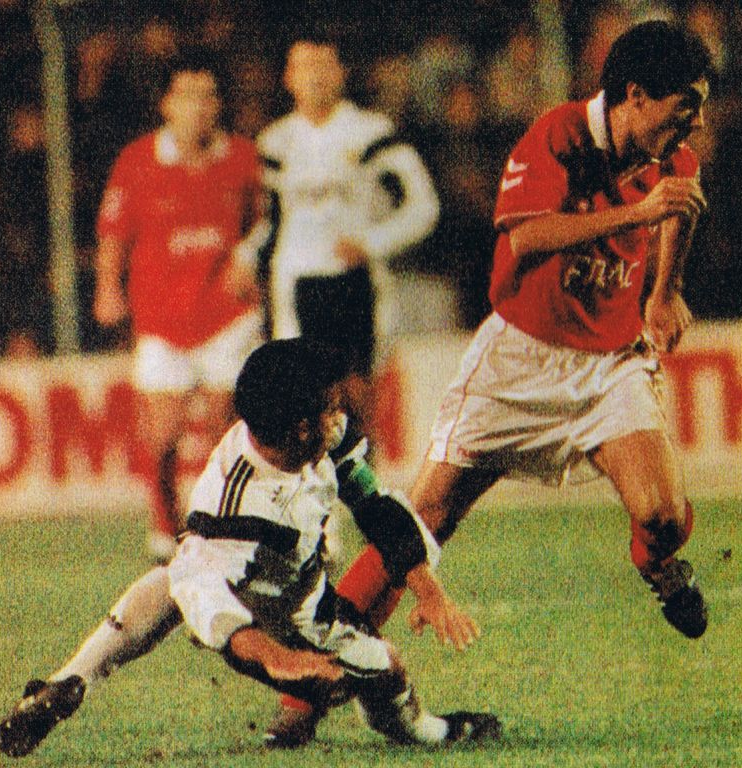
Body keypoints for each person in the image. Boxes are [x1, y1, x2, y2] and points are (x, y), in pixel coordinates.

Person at [268, 19, 714, 745]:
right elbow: (525, 236)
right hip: (517, 362)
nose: (693, 121)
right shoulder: (558, 136)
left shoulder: (673, 157)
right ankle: (306, 689)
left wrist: (664, 293)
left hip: (608, 363)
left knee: (663, 516)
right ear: (635, 95)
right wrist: (635, 212)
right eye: (685, 105)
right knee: (421, 523)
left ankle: (654, 561)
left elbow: (679, 214)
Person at [0, 340, 496, 758]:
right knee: (179, 583)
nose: (340, 415)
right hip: (265, 621)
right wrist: (281, 660)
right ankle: (73, 680)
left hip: (299, 590)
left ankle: (65, 682)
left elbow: (373, 504)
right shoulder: (233, 510)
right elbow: (214, 613)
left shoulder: (312, 435)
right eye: (330, 407)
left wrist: (426, 587)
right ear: (301, 427)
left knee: (382, 668)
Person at [92, 49, 264, 561]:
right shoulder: (137, 161)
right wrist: (107, 287)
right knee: (162, 436)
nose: (199, 107)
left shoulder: (242, 158)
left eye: (208, 96)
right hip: (162, 317)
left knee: (225, 426)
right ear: (167, 104)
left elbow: (265, 220)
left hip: (226, 314)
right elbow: (113, 233)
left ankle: (225, 523)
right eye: (188, 96)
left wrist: (247, 256)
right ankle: (165, 524)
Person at [235, 35, 439, 436]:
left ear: (342, 73)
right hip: (295, 286)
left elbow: (424, 205)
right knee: (299, 405)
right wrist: (245, 258)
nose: (315, 77)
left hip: (355, 285)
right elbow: (268, 222)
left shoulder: (372, 133)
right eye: (305, 67)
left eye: (324, 66)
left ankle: (362, 479)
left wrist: (372, 242)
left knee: (358, 402)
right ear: (288, 77)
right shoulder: (274, 142)